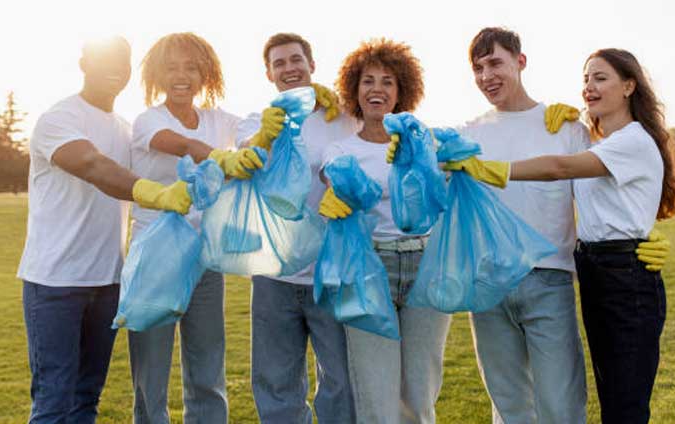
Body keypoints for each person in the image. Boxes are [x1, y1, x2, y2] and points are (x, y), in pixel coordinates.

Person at [435, 27, 670, 424]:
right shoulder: (468, 133)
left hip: (551, 280)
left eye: (495, 62)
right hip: (491, 282)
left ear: (520, 62)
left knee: (568, 406)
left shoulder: (568, 129)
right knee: (510, 407)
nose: (486, 75)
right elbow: (603, 197)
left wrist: (640, 236)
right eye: (477, 67)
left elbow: (573, 174)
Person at [17, 36, 193, 423]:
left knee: (86, 398)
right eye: (104, 59)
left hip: (109, 282)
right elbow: (93, 166)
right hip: (55, 283)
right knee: (53, 398)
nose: (116, 67)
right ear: (83, 63)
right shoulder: (59, 118)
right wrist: (155, 194)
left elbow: (157, 162)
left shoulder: (127, 128)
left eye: (123, 60)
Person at [127, 32, 260, 424]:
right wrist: (218, 156)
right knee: (150, 373)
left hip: (205, 258)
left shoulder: (219, 120)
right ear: (156, 75)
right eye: (171, 68)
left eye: (191, 67)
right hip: (155, 259)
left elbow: (251, 130)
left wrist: (255, 140)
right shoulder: (149, 119)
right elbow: (176, 143)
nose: (181, 76)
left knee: (207, 368)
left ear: (206, 74)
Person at [319, 38, 450, 424]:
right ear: (354, 91)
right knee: (375, 396)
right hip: (367, 269)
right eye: (368, 81)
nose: (377, 89)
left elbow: (441, 188)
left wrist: (421, 157)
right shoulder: (339, 148)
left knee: (419, 394)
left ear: (401, 91)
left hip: (424, 266)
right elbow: (336, 181)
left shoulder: (423, 142)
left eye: (388, 82)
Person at [238, 32, 358, 424]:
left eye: (296, 60)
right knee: (276, 382)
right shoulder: (258, 121)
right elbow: (245, 161)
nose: (289, 68)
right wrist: (265, 136)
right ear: (269, 73)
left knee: (341, 381)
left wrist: (344, 99)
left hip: (332, 271)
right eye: (279, 63)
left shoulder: (339, 118)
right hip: (275, 274)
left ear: (312, 65)